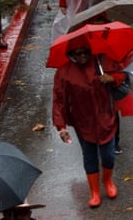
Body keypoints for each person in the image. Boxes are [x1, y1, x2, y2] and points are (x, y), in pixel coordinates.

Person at [52, 40, 127, 209]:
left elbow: (121, 74)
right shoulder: (64, 73)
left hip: (105, 117)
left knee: (108, 154)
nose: (83, 56)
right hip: (83, 122)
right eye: (78, 53)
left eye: (85, 52)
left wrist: (111, 78)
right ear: (71, 56)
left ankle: (107, 180)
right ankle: (94, 192)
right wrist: (61, 126)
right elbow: (59, 99)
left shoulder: (101, 61)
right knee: (89, 156)